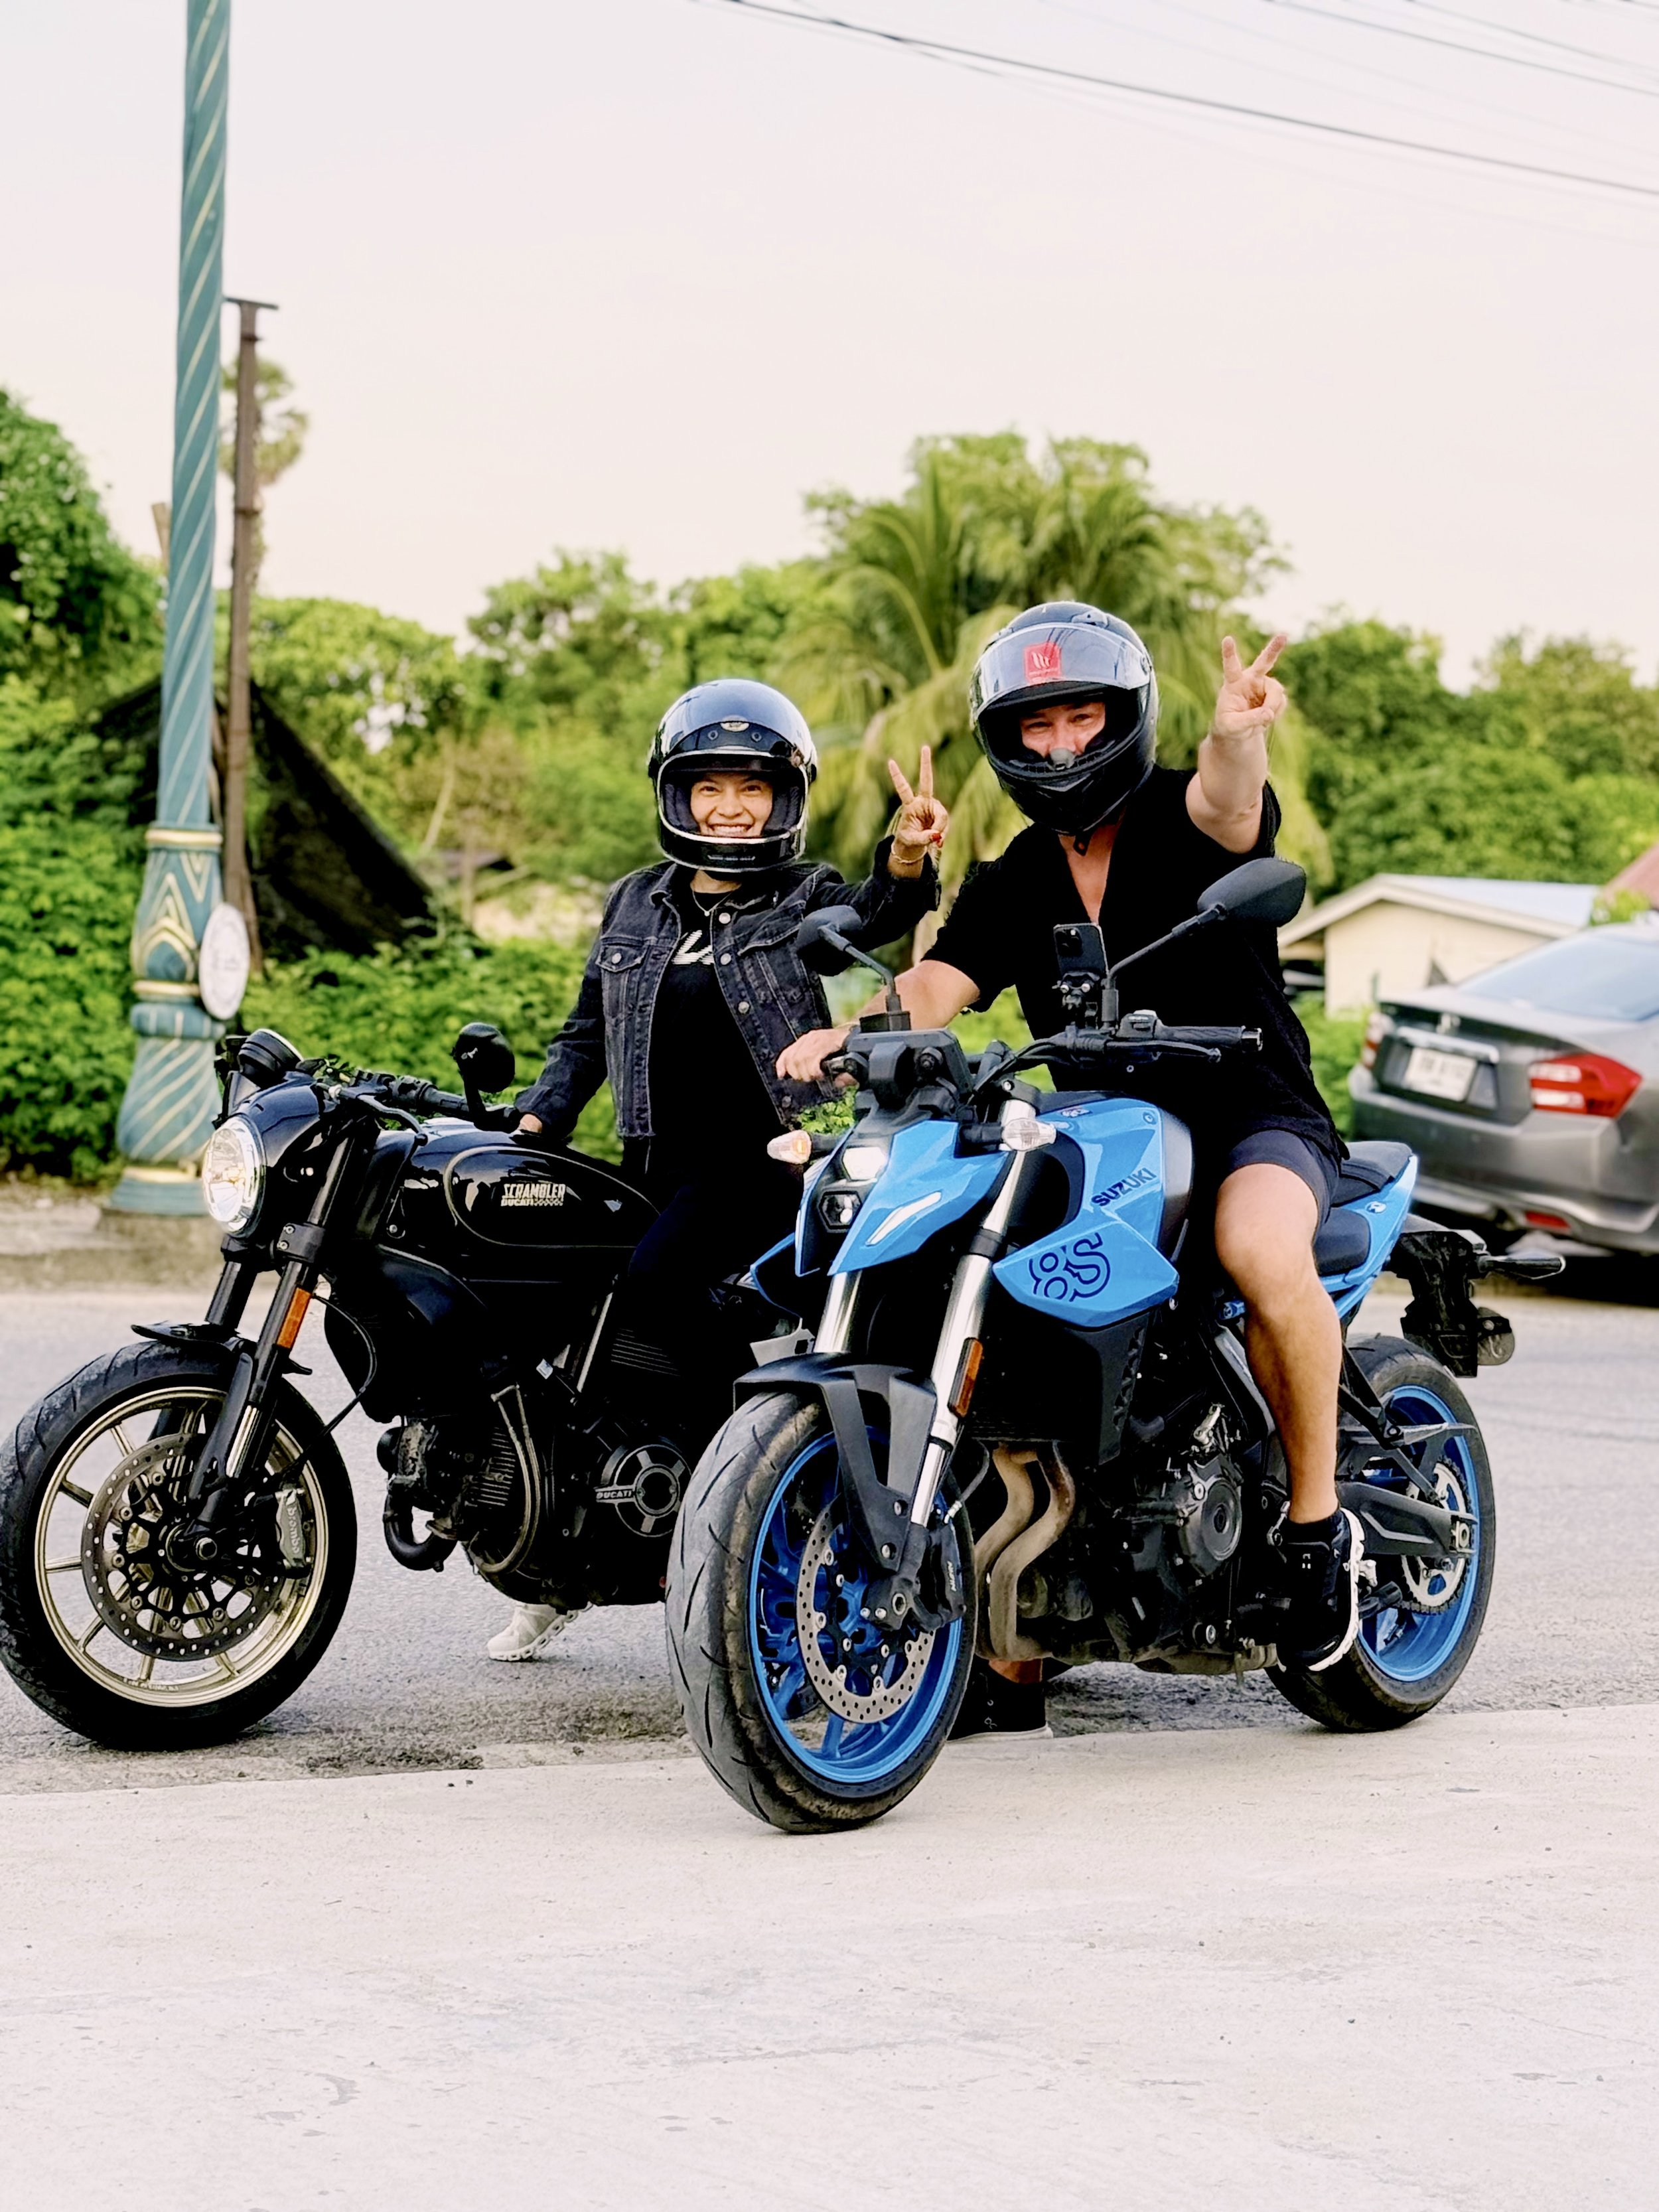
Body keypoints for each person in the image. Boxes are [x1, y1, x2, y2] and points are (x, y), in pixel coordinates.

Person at [776, 602, 1356, 1728]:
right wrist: (860, 1036)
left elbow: (1233, 804)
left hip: (1248, 1117)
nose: (1058, 746)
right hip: (1102, 1136)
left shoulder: (1189, 822)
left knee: (1252, 1245)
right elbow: (940, 985)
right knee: (1007, 1301)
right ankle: (1014, 1639)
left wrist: (1243, 732)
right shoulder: (1017, 878)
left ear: (1126, 717)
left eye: (1080, 715)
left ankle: (1318, 1531)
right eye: (1034, 726)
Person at [485, 676, 950, 1661]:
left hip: (768, 1160)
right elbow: (582, 1037)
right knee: (575, 1330)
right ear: (675, 790)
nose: (728, 806)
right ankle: (565, 1562)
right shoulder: (634, 903)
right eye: (709, 786)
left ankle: (743, 1470)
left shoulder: (802, 896)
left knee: (655, 1284)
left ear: (782, 799)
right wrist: (539, 1114)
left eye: (750, 787)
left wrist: (906, 860)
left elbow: (874, 916)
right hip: (649, 1158)